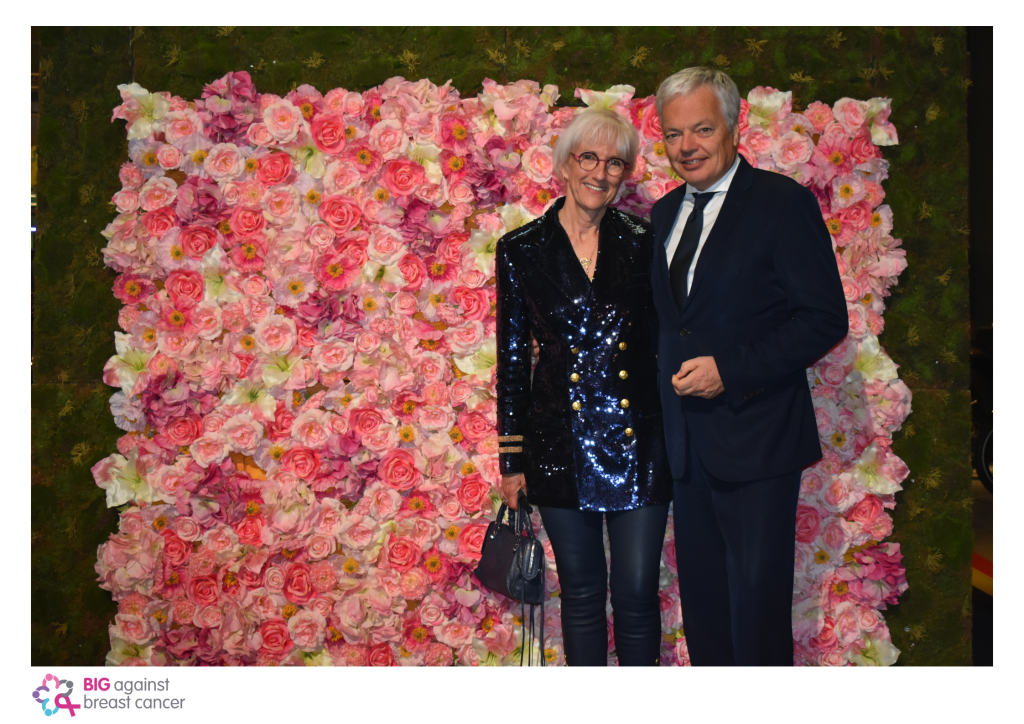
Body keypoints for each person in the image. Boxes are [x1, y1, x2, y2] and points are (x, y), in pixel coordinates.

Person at [649, 67, 848, 666]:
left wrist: (729, 371)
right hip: (687, 448)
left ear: (734, 128)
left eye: (702, 129)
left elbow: (822, 319)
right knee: (705, 609)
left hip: (758, 443)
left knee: (756, 612)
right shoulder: (662, 215)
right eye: (674, 134)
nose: (687, 146)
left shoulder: (782, 203)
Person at [495, 108, 671, 666]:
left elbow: (672, 339)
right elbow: (513, 357)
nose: (600, 172)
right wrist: (511, 458)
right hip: (556, 445)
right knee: (583, 594)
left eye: (615, 162)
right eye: (588, 157)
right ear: (565, 166)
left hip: (639, 442)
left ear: (625, 173)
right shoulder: (521, 248)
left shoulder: (647, 242)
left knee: (638, 595)